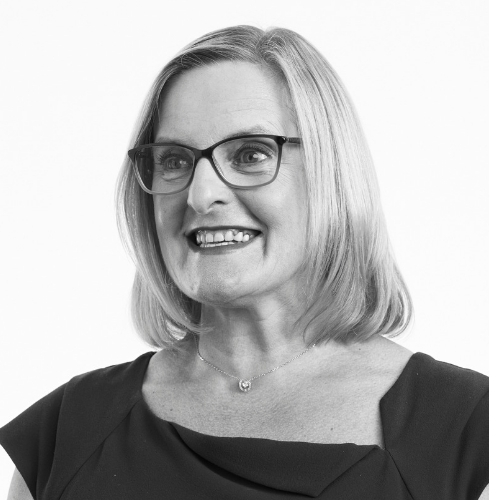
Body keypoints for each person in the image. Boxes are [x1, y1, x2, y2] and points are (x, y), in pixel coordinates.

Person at [0, 25, 488, 500]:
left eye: (250, 154)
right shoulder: (67, 435)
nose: (201, 194)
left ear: (332, 173)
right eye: (174, 160)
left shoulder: (469, 432)